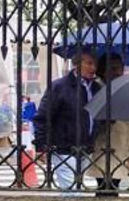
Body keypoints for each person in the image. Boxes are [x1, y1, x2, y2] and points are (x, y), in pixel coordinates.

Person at [31, 50, 101, 191]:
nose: (93, 68)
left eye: (95, 64)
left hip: (86, 147)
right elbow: (43, 117)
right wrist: (40, 145)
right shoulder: (59, 87)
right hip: (63, 147)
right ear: (76, 64)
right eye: (89, 63)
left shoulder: (96, 88)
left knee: (76, 185)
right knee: (72, 188)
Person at [88, 53, 129, 194]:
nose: (118, 72)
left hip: (124, 142)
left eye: (120, 68)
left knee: (114, 184)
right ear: (102, 70)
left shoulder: (125, 87)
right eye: (113, 68)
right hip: (106, 144)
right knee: (106, 184)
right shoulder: (97, 88)